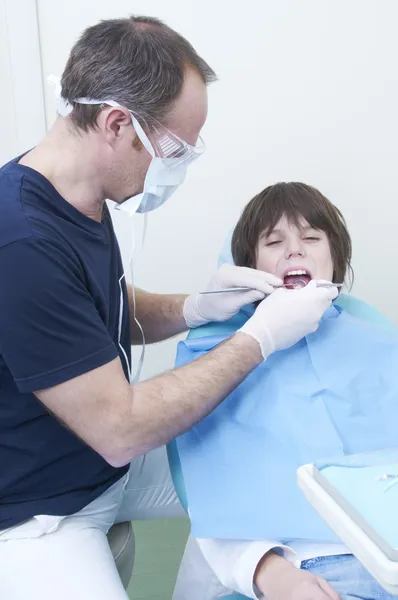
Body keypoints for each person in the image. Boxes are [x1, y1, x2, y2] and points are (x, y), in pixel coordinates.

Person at [0, 16, 337, 600]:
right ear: (115, 123)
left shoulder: (80, 195)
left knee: (257, 466)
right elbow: (121, 429)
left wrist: (194, 307)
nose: (178, 165)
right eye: (175, 148)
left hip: (102, 468)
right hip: (40, 510)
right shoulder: (22, 242)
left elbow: (99, 311)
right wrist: (258, 337)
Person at [172, 182, 398, 600]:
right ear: (250, 266)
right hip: (310, 567)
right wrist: (271, 572)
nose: (295, 250)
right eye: (274, 242)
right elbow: (211, 494)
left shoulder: (381, 344)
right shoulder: (215, 361)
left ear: (337, 258)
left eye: (311, 238)